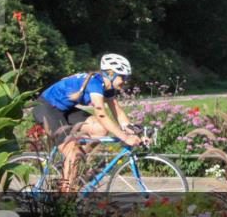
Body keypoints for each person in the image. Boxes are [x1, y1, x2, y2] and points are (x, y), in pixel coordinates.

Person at [33, 54, 144, 191]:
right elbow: (101, 114)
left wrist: (131, 129)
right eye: (123, 76)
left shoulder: (107, 87)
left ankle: (73, 164)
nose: (125, 81)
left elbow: (118, 112)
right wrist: (125, 137)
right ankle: (64, 197)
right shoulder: (95, 84)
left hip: (65, 110)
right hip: (46, 108)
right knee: (72, 152)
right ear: (110, 74)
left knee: (100, 130)